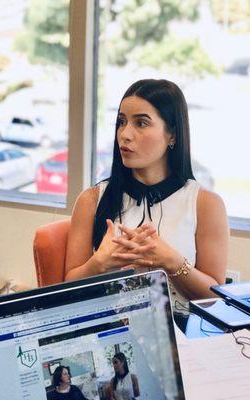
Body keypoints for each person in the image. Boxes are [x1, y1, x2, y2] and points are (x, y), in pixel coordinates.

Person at [64, 79, 228, 326]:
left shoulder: (206, 204)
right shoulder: (91, 200)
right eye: (121, 122)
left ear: (172, 134)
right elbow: (65, 292)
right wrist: (99, 263)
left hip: (181, 337)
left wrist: (171, 261)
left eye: (141, 123)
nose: (125, 134)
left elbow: (214, 298)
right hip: (107, 333)